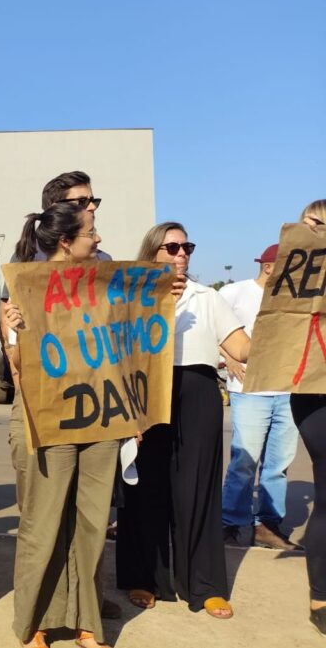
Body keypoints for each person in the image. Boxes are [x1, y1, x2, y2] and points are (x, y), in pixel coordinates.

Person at [116, 222, 249, 619]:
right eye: (172, 247)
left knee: (198, 490)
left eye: (186, 246)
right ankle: (145, 577)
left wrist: (280, 330)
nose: (181, 254)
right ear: (153, 252)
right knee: (145, 486)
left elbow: (240, 344)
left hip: (197, 391)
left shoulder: (207, 297)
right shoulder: (131, 297)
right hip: (146, 390)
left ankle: (204, 584)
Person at [3, 203, 119, 648]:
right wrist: (16, 333)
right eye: (92, 232)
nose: (99, 239)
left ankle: (88, 622)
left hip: (100, 418)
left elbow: (127, 350)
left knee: (92, 524)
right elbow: (16, 365)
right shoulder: (25, 287)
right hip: (47, 417)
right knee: (44, 522)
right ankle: (37, 623)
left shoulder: (107, 286)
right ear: (67, 242)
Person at [220, 244, 300, 550]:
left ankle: (268, 525)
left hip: (288, 390)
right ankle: (230, 523)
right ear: (268, 267)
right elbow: (212, 328)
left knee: (278, 464)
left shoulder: (293, 300)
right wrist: (226, 356)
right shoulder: (234, 293)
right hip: (249, 390)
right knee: (245, 460)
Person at [290, 198, 326, 636]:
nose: (313, 229)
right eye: (309, 223)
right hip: (314, 393)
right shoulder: (292, 271)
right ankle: (321, 593)